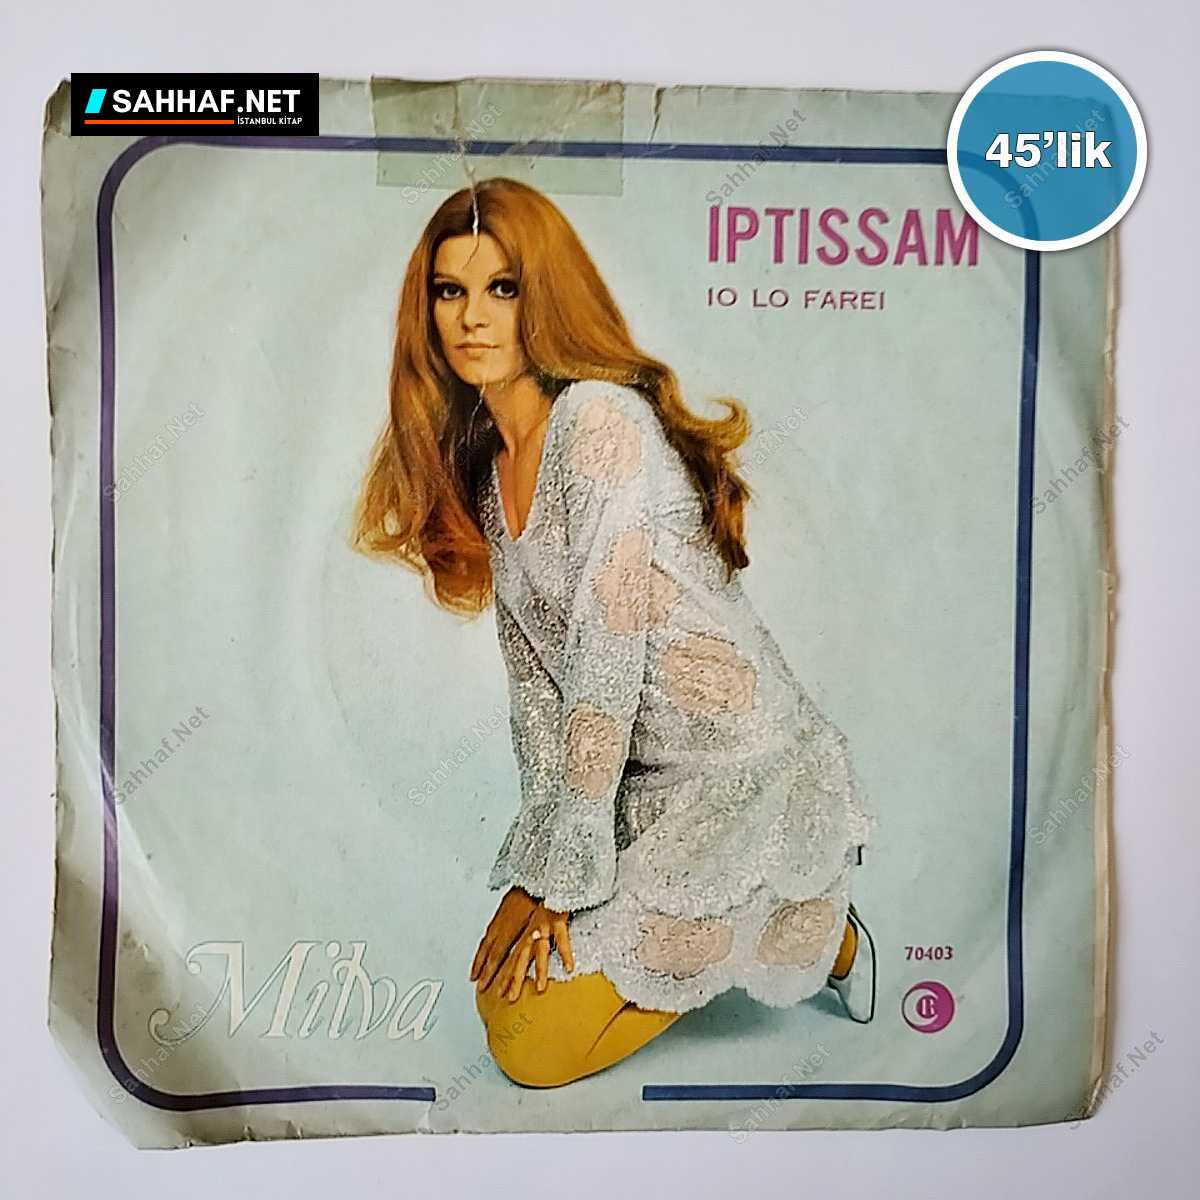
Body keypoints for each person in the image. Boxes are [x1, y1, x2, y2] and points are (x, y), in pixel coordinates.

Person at [354, 177, 874, 1089]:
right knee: (502, 1003)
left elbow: (607, 651)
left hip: (742, 775)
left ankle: (815, 923)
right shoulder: (491, 478)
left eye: (502, 287)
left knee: (531, 1047)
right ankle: (762, 921)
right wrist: (539, 870)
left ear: (545, 296)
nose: (473, 317)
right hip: (637, 788)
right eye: (449, 291)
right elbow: (537, 697)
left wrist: (563, 884)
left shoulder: (600, 422)